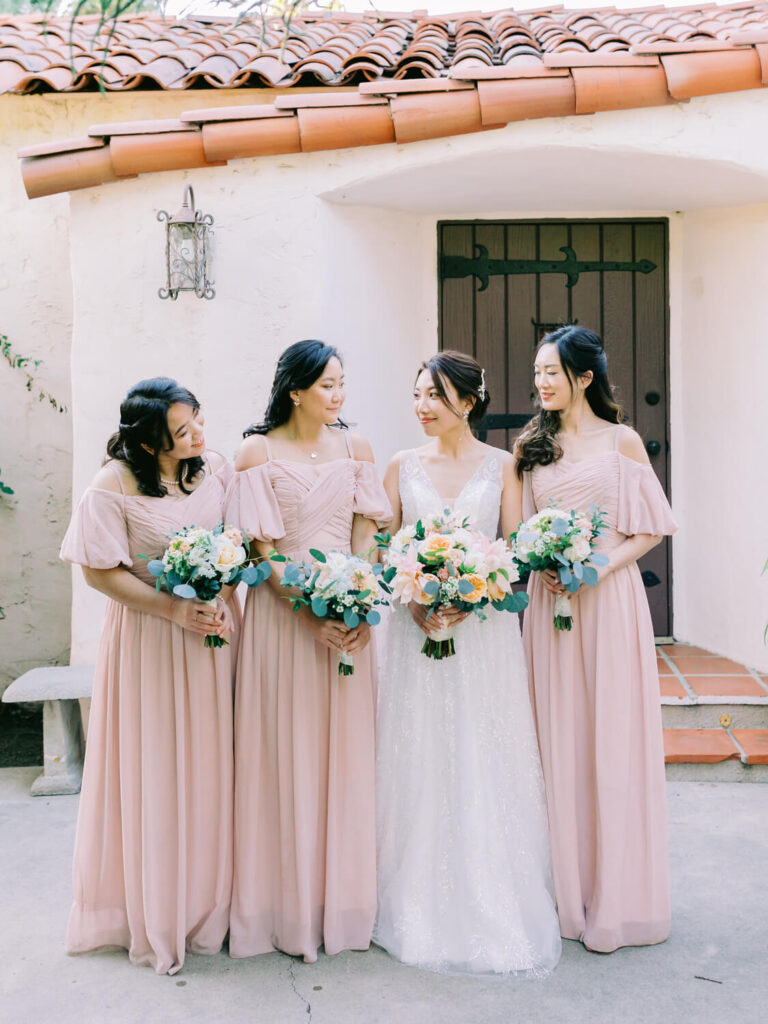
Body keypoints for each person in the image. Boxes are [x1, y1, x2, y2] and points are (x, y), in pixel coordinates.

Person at [374, 350, 561, 976]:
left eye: (435, 395)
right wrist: (414, 599)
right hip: (417, 632)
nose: (422, 406)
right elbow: (383, 552)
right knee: (420, 751)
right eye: (418, 394)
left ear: (469, 401)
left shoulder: (503, 466)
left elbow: (514, 554)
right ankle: (414, 895)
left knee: (484, 748)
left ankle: (492, 891)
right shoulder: (400, 466)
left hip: (483, 637)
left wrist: (475, 590)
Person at [60, 377, 237, 975]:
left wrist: (219, 596)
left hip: (212, 636)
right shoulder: (111, 485)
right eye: (181, 432)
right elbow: (98, 572)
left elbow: (234, 547)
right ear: (147, 441)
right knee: (156, 765)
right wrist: (172, 609)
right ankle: (157, 907)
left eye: (197, 420)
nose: (197, 435)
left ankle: (210, 901)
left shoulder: (215, 469)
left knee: (211, 763)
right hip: (150, 639)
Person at [226, 340, 391, 962]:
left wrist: (358, 602)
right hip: (282, 619)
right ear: (295, 391)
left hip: (347, 617)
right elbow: (260, 550)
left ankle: (344, 905)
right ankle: (285, 909)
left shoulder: (357, 448)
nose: (338, 395)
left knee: (347, 754)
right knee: (283, 751)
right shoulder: (257, 452)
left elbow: (367, 534)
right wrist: (306, 610)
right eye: (327, 385)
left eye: (342, 383)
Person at [517, 325, 677, 953]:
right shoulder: (531, 446)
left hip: (609, 600)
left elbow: (651, 530)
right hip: (551, 604)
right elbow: (522, 529)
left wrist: (599, 565)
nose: (540, 382)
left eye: (551, 372)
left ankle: (617, 895)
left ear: (584, 378)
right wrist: (542, 563)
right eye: (537, 372)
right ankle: (566, 892)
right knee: (557, 736)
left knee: (610, 736)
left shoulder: (622, 441)